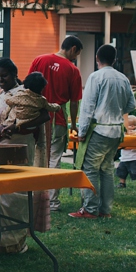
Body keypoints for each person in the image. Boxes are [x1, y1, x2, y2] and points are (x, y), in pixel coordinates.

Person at [0, 58, 51, 253]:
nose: (0, 80)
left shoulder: (27, 94)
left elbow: (45, 115)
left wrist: (17, 126)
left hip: (19, 147)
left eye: (4, 76)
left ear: (15, 74)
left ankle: (12, 242)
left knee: (12, 195)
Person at [72, 44, 136, 219]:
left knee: (90, 169)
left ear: (97, 59)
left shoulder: (96, 77)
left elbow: (87, 107)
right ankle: (105, 210)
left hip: (99, 129)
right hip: (116, 131)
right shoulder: (123, 78)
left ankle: (90, 209)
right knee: (107, 169)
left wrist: (82, 131)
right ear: (115, 60)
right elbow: (131, 104)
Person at [28, 36, 84, 211]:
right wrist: (73, 124)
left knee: (35, 156)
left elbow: (26, 86)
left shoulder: (39, 60)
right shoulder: (73, 70)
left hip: (35, 115)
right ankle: (51, 202)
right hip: (57, 118)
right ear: (73, 49)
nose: (75, 58)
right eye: (76, 55)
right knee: (54, 158)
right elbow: (74, 102)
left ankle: (32, 197)